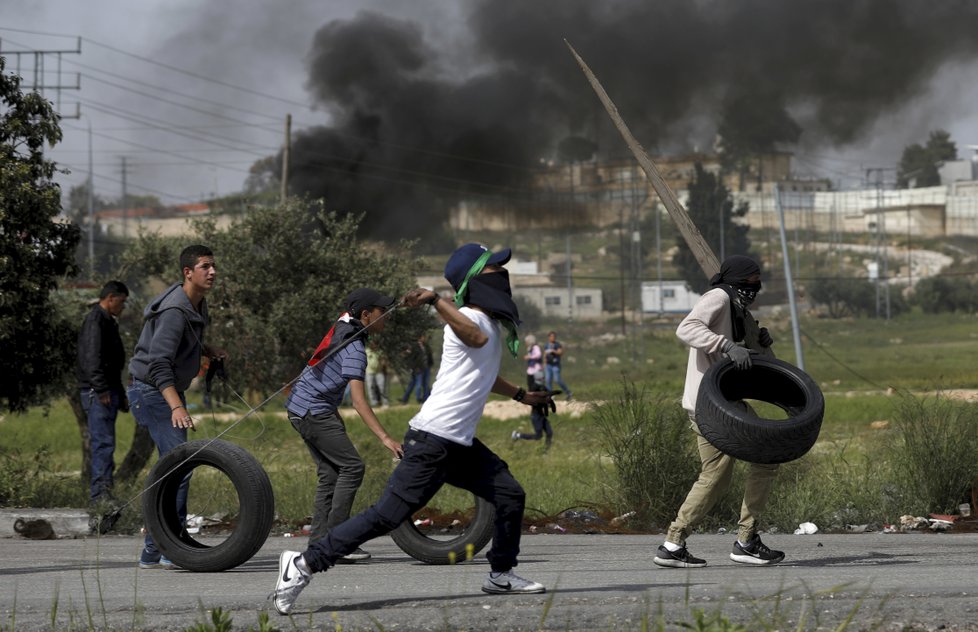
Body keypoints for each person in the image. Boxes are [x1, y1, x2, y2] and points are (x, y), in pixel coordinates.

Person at [272, 242, 557, 615]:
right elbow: (475, 337)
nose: (502, 274)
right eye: (493, 268)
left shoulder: (482, 323)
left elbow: (484, 374)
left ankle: (501, 573)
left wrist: (522, 395)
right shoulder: (464, 322)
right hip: (432, 441)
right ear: (474, 279)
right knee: (386, 516)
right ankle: (304, 563)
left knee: (509, 494)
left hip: (457, 443)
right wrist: (436, 301)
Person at [653, 255, 782, 569]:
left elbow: (751, 357)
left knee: (719, 476)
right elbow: (687, 328)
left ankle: (674, 543)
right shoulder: (719, 297)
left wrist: (760, 343)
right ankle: (745, 541)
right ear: (734, 281)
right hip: (712, 406)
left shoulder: (738, 309)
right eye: (748, 283)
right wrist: (726, 345)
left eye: (757, 283)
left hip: (721, 403)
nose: (754, 288)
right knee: (758, 460)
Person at [285, 288, 404, 563]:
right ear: (366, 315)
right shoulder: (355, 349)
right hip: (312, 412)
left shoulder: (345, 327)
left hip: (300, 408)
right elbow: (359, 403)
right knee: (352, 467)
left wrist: (333, 418)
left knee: (330, 473)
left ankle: (319, 544)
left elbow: (326, 381)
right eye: (381, 312)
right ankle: (340, 541)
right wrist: (387, 439)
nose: (386, 316)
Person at [127, 245, 226, 570]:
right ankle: (170, 546)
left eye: (213, 266)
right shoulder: (174, 310)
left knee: (171, 468)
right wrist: (176, 407)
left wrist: (206, 349)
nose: (212, 272)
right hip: (152, 392)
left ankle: (154, 550)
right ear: (188, 272)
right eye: (205, 267)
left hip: (163, 391)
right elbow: (158, 364)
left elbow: (184, 342)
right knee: (178, 468)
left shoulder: (197, 304)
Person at [77, 280, 130, 505]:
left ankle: (105, 492)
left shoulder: (108, 321)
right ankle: (99, 497)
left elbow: (112, 362)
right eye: (122, 301)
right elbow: (91, 359)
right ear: (110, 298)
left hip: (106, 390)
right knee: (103, 443)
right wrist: (101, 388)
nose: (123, 306)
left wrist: (119, 393)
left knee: (107, 443)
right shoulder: (95, 320)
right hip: (97, 392)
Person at [511, 371, 554, 450]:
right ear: (539, 378)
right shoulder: (534, 387)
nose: (543, 379)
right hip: (536, 415)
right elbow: (535, 398)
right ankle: (518, 435)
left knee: (549, 433)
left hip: (542, 415)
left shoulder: (543, 387)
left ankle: (546, 451)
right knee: (538, 436)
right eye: (542, 378)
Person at [399, 333, 433, 403]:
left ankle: (425, 398)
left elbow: (429, 355)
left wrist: (430, 364)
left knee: (425, 384)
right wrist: (412, 367)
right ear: (420, 338)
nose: (425, 338)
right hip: (418, 368)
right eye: (423, 337)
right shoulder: (414, 346)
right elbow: (411, 358)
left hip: (426, 367)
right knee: (418, 384)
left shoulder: (426, 346)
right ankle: (418, 398)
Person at [543, 331, 573, 401]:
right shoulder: (546, 345)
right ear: (549, 337)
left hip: (555, 365)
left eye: (554, 337)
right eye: (551, 336)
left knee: (557, 380)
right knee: (548, 380)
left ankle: (568, 392)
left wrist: (554, 351)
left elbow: (560, 352)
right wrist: (544, 363)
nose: (553, 338)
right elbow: (544, 354)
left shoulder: (557, 344)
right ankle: (550, 395)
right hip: (548, 365)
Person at [364, 340, 390, 408]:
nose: (374, 345)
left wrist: (384, 365)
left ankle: (385, 402)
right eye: (373, 344)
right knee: (370, 387)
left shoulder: (379, 352)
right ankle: (374, 402)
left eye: (375, 344)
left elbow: (384, 360)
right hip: (369, 372)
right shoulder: (367, 351)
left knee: (382, 386)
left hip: (379, 371)